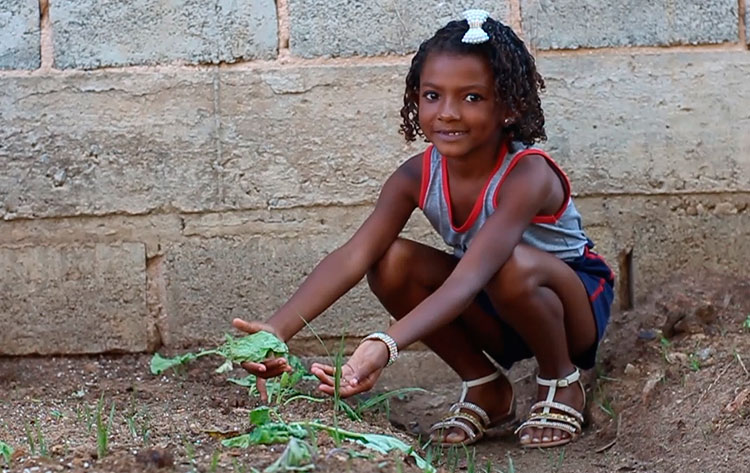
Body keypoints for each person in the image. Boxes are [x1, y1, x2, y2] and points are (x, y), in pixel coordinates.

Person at [233, 9, 614, 449]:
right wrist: (279, 329)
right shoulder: (415, 177)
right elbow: (354, 256)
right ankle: (485, 386)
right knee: (390, 261)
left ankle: (561, 379)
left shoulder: (528, 176)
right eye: (433, 95)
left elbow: (471, 275)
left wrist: (384, 345)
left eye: (472, 97)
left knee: (508, 265)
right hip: (494, 301)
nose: (447, 113)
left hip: (570, 309)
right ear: (416, 98)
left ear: (510, 106)